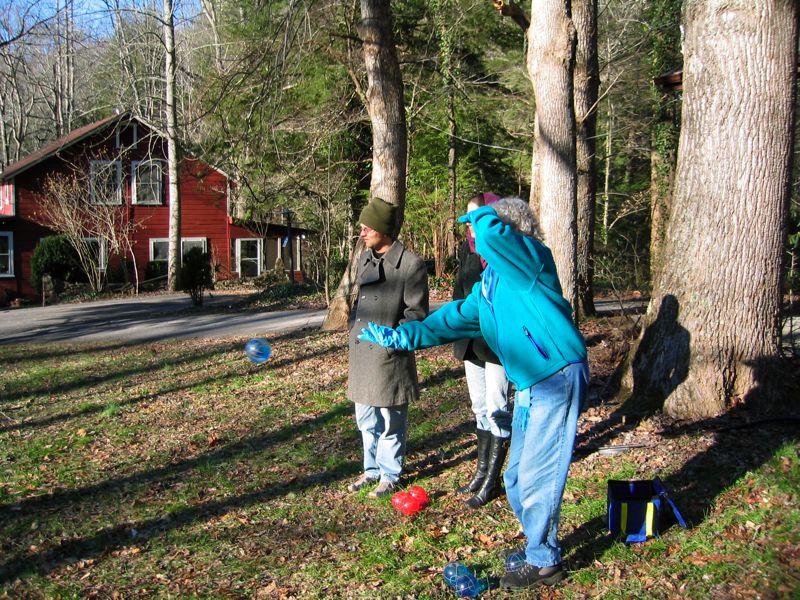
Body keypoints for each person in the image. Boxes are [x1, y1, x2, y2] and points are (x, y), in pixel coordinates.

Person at [359, 197, 588, 590]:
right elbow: (452, 319)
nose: (472, 240)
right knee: (516, 477)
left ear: (506, 231)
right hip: (531, 383)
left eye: (475, 233)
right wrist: (403, 336)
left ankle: (545, 563)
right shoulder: (491, 285)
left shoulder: (531, 260)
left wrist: (477, 210)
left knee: (537, 474)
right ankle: (539, 546)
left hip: (557, 374)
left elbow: (492, 234)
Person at [346, 197, 429, 499]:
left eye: (368, 227)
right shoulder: (365, 257)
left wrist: (391, 339)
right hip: (361, 353)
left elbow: (416, 314)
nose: (363, 232)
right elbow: (358, 301)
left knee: (390, 421)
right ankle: (371, 471)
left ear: (383, 228)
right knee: (366, 420)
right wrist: (353, 330)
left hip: (388, 355)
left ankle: (390, 474)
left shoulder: (411, 264)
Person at [452, 192, 511, 509]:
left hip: (498, 344)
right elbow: (458, 292)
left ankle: (493, 480)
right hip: (470, 341)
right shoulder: (467, 249)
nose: (471, 224)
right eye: (468, 218)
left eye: (477, 216)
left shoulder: (504, 250)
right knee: (478, 405)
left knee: (495, 406)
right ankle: (482, 470)